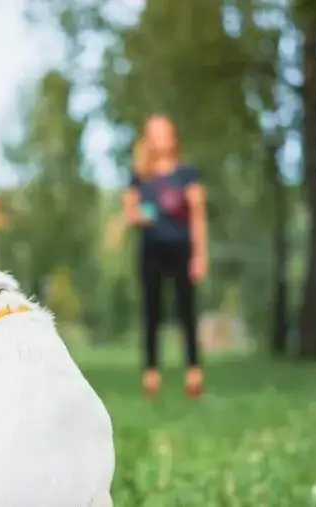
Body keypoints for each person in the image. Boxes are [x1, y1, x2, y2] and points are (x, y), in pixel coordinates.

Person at [122, 115, 209, 398]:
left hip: (182, 249)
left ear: (173, 137)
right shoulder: (139, 176)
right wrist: (139, 217)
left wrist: (200, 256)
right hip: (151, 250)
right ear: (149, 140)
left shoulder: (187, 175)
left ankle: (194, 372)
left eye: (165, 133)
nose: (162, 138)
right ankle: (151, 374)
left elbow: (198, 217)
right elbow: (130, 211)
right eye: (155, 133)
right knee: (152, 312)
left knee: (186, 311)